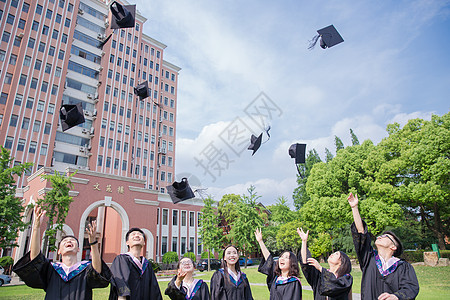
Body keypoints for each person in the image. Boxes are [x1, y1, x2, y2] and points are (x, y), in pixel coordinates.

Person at [13, 205, 111, 300]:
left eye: (72, 241)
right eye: (65, 241)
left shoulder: (85, 269)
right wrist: (36, 227)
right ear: (59, 251)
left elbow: (97, 270)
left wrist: (93, 242)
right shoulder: (51, 269)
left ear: (78, 249)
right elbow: (35, 258)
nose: (68, 241)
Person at [348, 192, 419, 300]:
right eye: (381, 235)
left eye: (386, 237)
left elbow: (411, 288)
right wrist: (354, 208)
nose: (380, 237)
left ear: (393, 247)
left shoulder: (403, 267)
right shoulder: (369, 259)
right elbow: (361, 232)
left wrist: (395, 296)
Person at [297, 228, 353, 300]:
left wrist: (320, 268)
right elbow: (305, 264)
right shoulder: (320, 277)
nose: (332, 254)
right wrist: (304, 242)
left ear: (341, 263)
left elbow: (334, 285)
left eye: (336, 254)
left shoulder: (345, 279)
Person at [109, 227, 162, 299]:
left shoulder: (147, 264)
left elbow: (154, 289)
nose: (137, 236)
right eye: (133, 234)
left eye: (140, 234)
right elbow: (120, 284)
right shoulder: (121, 260)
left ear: (144, 243)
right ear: (127, 242)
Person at [255, 228, 302, 299]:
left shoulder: (294, 282)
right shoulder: (276, 278)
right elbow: (269, 260)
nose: (282, 259)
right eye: (281, 257)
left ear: (292, 263)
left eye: (286, 257)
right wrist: (260, 242)